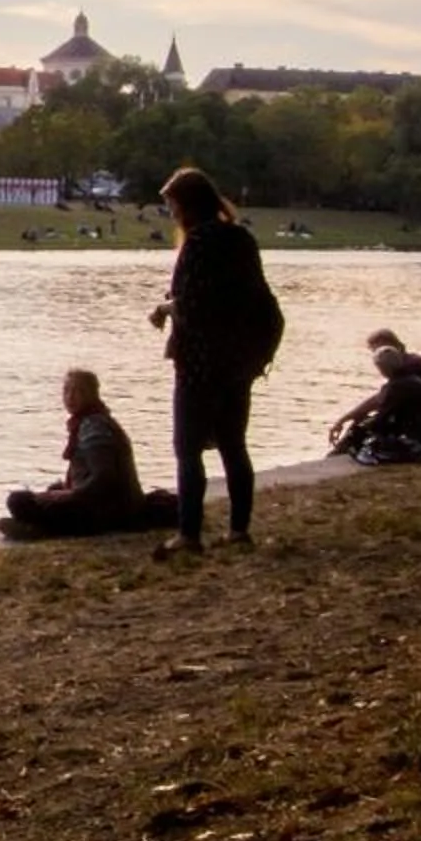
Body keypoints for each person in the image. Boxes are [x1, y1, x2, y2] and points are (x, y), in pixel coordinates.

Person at [148, 166, 284, 553]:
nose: (171, 213)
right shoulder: (241, 238)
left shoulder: (197, 243)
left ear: (187, 205)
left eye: (172, 205)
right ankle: (239, 530)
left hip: (200, 364)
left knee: (187, 448)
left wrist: (163, 309)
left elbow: (192, 305)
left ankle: (189, 534)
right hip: (238, 362)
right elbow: (253, 299)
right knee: (233, 445)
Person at [4, 369, 160, 535]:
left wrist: (69, 495)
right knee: (53, 489)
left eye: (78, 391)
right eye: (66, 391)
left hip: (108, 511)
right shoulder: (92, 419)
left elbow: (104, 477)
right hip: (112, 505)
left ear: (92, 394)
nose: (70, 397)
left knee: (18, 500)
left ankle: (46, 528)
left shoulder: (94, 427)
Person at [329, 328, 421, 459]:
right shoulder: (408, 367)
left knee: (363, 427)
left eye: (376, 351)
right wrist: (346, 418)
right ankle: (337, 454)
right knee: (364, 420)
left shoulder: (409, 370)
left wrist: (350, 420)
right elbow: (381, 398)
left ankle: (335, 456)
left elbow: (381, 402)